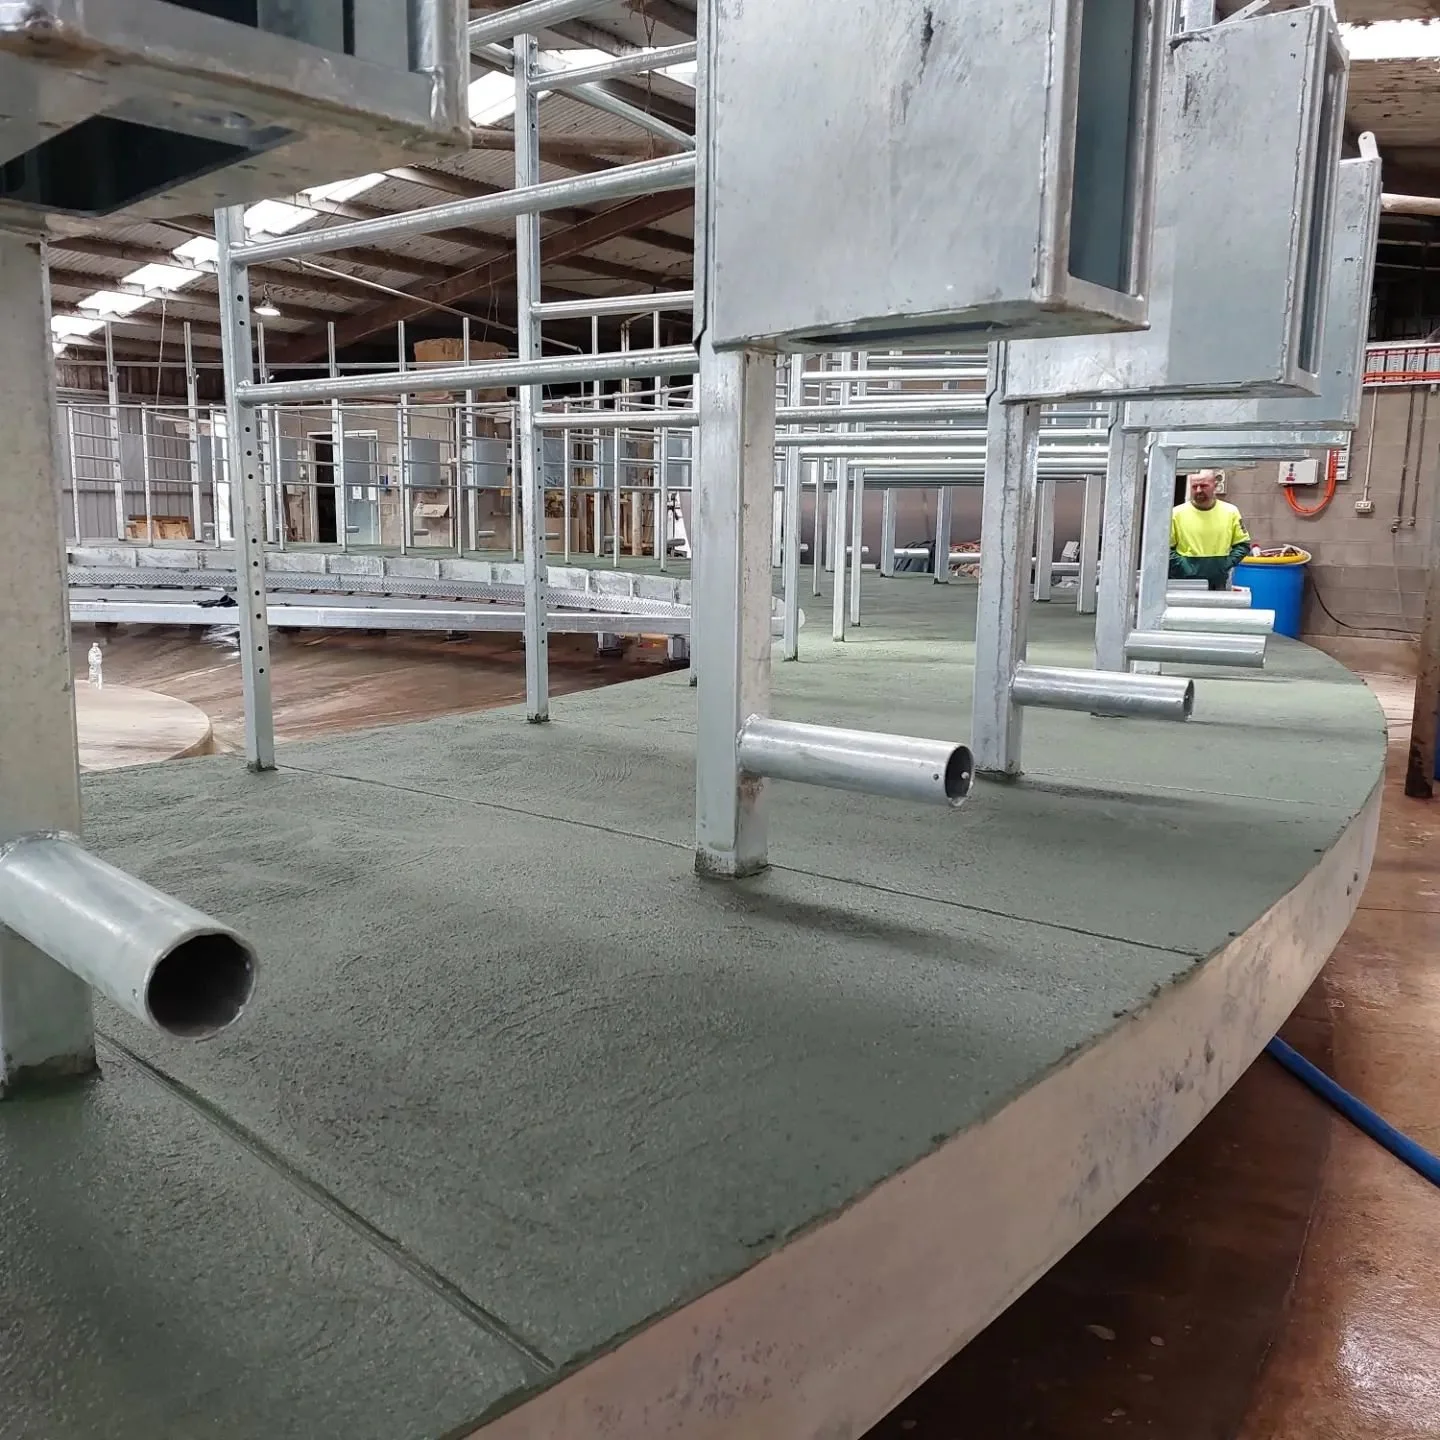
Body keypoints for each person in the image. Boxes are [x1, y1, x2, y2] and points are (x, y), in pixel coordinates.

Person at [1169, 470, 1251, 592]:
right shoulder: (1176, 513)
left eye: (1203, 486)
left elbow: (1243, 545)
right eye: (1194, 486)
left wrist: (1224, 565)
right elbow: (1165, 549)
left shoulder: (1230, 512)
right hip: (1184, 582)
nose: (1198, 490)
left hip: (1218, 583)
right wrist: (1183, 566)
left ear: (1215, 486)